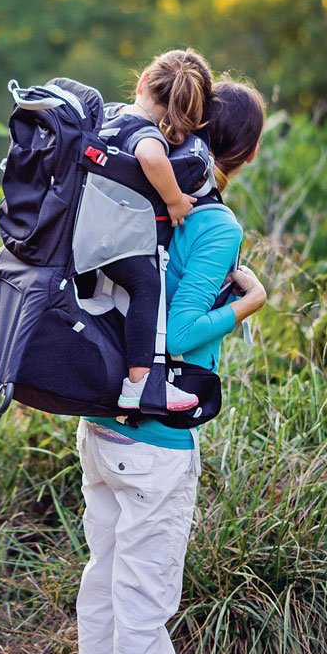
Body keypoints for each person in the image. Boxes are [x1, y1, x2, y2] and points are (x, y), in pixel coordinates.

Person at [77, 77, 268, 654]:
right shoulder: (214, 224)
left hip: (101, 421)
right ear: (243, 154)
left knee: (104, 577)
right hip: (158, 436)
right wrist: (249, 304)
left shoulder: (144, 191)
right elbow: (182, 332)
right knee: (145, 589)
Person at [100, 49, 214, 416]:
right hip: (113, 240)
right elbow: (150, 158)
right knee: (146, 285)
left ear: (142, 82)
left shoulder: (113, 116)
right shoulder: (145, 132)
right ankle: (139, 385)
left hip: (90, 234)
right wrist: (176, 199)